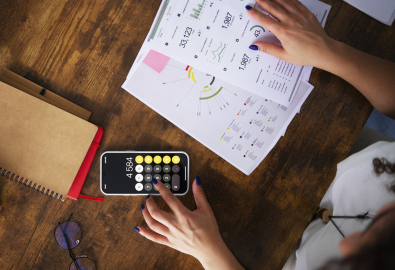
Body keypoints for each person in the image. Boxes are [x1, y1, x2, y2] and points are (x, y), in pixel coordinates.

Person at [132, 0, 395, 269]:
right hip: (341, 143)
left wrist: (208, 251)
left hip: (266, 247)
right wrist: (327, 50)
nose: (347, 244)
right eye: (384, 230)